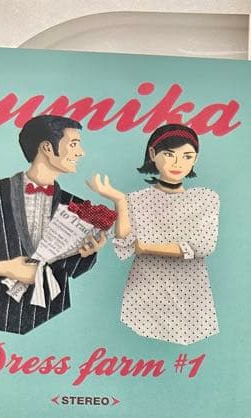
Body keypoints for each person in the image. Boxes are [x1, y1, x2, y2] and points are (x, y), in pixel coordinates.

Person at [0, 114, 105, 335]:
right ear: (47, 148)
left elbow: (75, 270)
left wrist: (87, 253)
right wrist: (2, 268)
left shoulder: (76, 206)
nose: (81, 152)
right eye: (74, 144)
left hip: (52, 322)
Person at [87, 123, 219, 345]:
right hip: (145, 293)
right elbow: (125, 243)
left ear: (195, 159)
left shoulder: (205, 198)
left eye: (187, 156)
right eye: (169, 154)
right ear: (152, 154)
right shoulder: (135, 200)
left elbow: (203, 245)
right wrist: (120, 200)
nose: (178, 163)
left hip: (189, 294)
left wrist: (148, 247)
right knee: (139, 345)